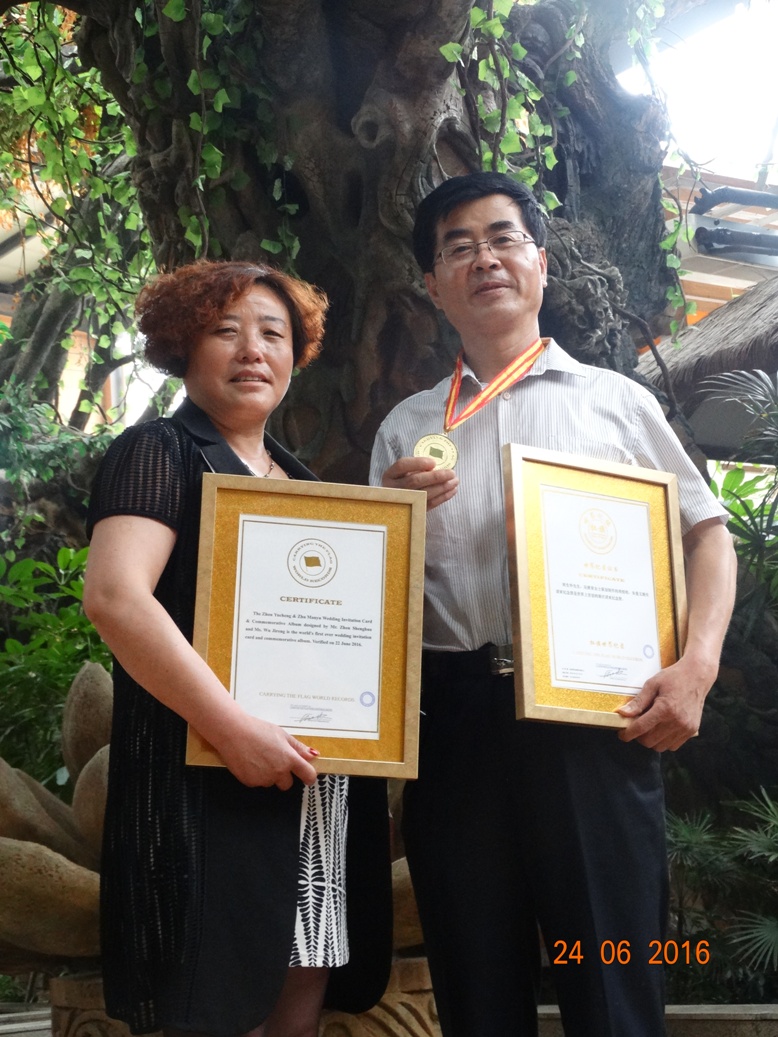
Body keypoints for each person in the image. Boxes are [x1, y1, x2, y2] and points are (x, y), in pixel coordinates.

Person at [370, 172, 736, 1037]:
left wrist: (698, 667)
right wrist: (390, 521)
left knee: (611, 979)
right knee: (478, 987)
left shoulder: (619, 403)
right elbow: (377, 602)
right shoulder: (405, 429)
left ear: (540, 262)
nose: (484, 259)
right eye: (458, 247)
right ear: (432, 284)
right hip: (456, 723)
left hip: (595, 719)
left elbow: (708, 534)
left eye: (503, 238)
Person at [83, 261, 391, 1037]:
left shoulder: (300, 480)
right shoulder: (159, 450)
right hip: (206, 786)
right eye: (226, 330)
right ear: (182, 345)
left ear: (295, 354)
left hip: (307, 790)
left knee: (294, 1008)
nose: (253, 349)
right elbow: (116, 596)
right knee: (217, 1010)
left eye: (273, 333)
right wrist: (232, 727)